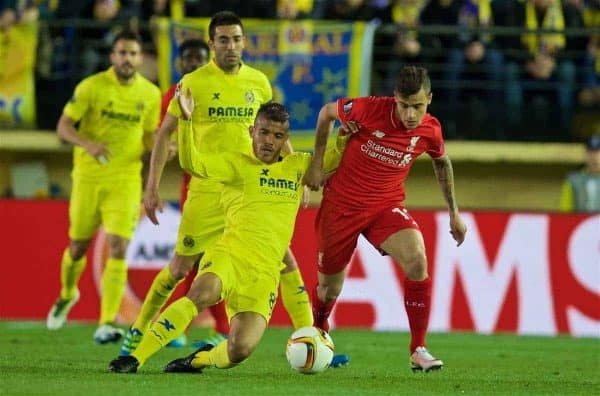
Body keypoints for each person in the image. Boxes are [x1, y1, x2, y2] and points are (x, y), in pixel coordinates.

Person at [118, 11, 332, 364]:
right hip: (208, 187)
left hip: (250, 187)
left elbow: (274, 130)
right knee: (178, 268)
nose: (231, 46)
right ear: (211, 43)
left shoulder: (259, 82)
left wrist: (292, 170)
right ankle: (139, 331)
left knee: (283, 256)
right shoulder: (193, 83)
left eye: (236, 39)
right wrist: (152, 186)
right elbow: (163, 135)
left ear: (244, 42)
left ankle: (312, 336)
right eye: (223, 40)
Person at [109, 99, 348, 373]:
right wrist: (186, 123)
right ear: (251, 131)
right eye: (264, 132)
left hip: (264, 275)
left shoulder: (297, 167)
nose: (269, 140)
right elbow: (193, 164)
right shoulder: (235, 164)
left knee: (240, 349)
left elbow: (336, 159)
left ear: (285, 139)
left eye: (277, 135)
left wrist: (346, 133)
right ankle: (136, 357)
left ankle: (197, 360)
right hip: (229, 256)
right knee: (201, 293)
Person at [303, 65, 467, 372]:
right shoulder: (367, 109)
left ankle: (418, 348)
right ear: (394, 98)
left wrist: (454, 213)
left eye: (417, 106)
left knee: (417, 258)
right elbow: (326, 112)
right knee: (329, 290)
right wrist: (316, 164)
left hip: (385, 205)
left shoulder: (430, 129)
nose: (409, 115)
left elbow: (442, 163)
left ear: (429, 99)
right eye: (404, 106)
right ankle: (319, 332)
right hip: (341, 206)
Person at [46, 30, 161, 344]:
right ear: (113, 57)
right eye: (122, 53)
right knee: (78, 247)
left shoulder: (150, 94)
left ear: (140, 58)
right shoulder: (91, 87)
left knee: (119, 247)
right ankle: (68, 293)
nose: (127, 59)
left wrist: (162, 147)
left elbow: (150, 135)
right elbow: (63, 126)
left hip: (125, 180)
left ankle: (106, 322)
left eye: (133, 53)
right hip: (88, 178)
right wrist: (88, 144)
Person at [559, 135, 600, 212]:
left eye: (598, 152)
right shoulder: (573, 180)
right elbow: (564, 212)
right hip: (579, 223)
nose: (594, 157)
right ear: (585, 154)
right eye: (590, 152)